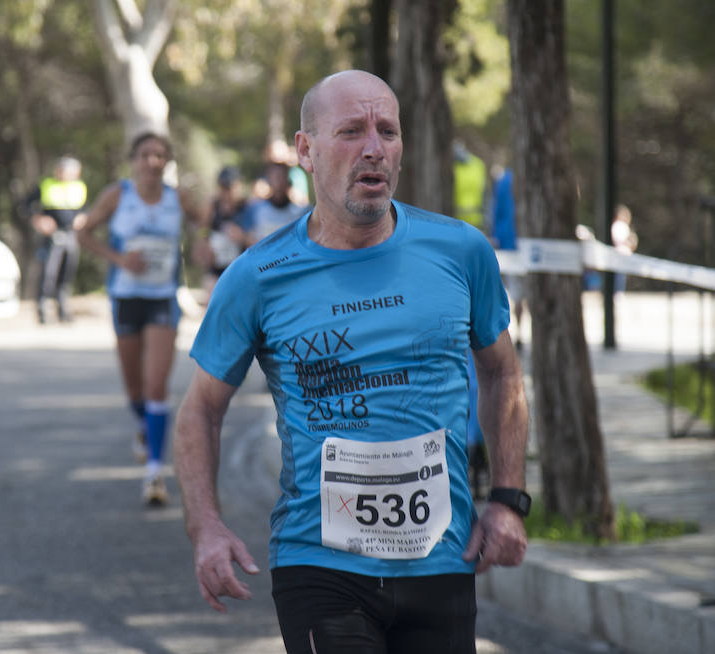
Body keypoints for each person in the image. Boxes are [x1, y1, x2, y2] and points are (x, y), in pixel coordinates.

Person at [174, 70, 529, 654]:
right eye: (351, 131)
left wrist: (509, 499)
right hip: (318, 564)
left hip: (440, 557)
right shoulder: (257, 277)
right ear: (305, 151)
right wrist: (204, 527)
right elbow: (200, 410)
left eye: (387, 131)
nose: (373, 148)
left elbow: (502, 372)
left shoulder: (461, 251)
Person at [77, 132, 201, 506]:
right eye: (146, 154)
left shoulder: (178, 199)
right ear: (133, 160)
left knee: (155, 386)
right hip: (126, 297)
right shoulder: (119, 195)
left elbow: (205, 221)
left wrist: (203, 242)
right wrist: (118, 259)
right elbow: (83, 232)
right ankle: (143, 427)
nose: (153, 161)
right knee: (134, 389)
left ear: (168, 162)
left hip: (162, 298)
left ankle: (153, 473)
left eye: (160, 155)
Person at [22, 156, 87, 324]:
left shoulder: (79, 187)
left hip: (71, 234)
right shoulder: (46, 185)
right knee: (48, 274)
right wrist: (38, 220)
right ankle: (43, 311)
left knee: (67, 273)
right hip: (52, 236)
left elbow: (84, 209)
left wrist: (83, 218)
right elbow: (25, 205)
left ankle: (63, 311)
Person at [191, 166, 249, 304]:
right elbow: (202, 233)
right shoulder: (212, 206)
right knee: (212, 301)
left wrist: (242, 237)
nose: (227, 192)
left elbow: (258, 241)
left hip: (240, 270)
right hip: (216, 269)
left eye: (231, 186)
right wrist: (205, 245)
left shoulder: (247, 207)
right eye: (224, 187)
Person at [489, 165, 526, 351]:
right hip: (518, 245)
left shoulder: (504, 181)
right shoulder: (509, 181)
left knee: (515, 293)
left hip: (509, 244)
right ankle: (519, 332)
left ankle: (517, 332)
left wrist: (496, 236)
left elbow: (496, 212)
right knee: (519, 293)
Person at [242, 162, 308, 246]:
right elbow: (247, 237)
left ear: (288, 180)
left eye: (281, 177)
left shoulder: (300, 212)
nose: (278, 182)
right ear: (269, 180)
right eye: (275, 177)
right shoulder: (256, 210)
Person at [610, 203, 638, 294]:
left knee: (621, 275)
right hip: (619, 254)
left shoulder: (621, 226)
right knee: (619, 275)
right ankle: (617, 292)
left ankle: (618, 292)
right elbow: (619, 240)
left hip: (622, 254)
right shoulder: (619, 225)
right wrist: (629, 242)